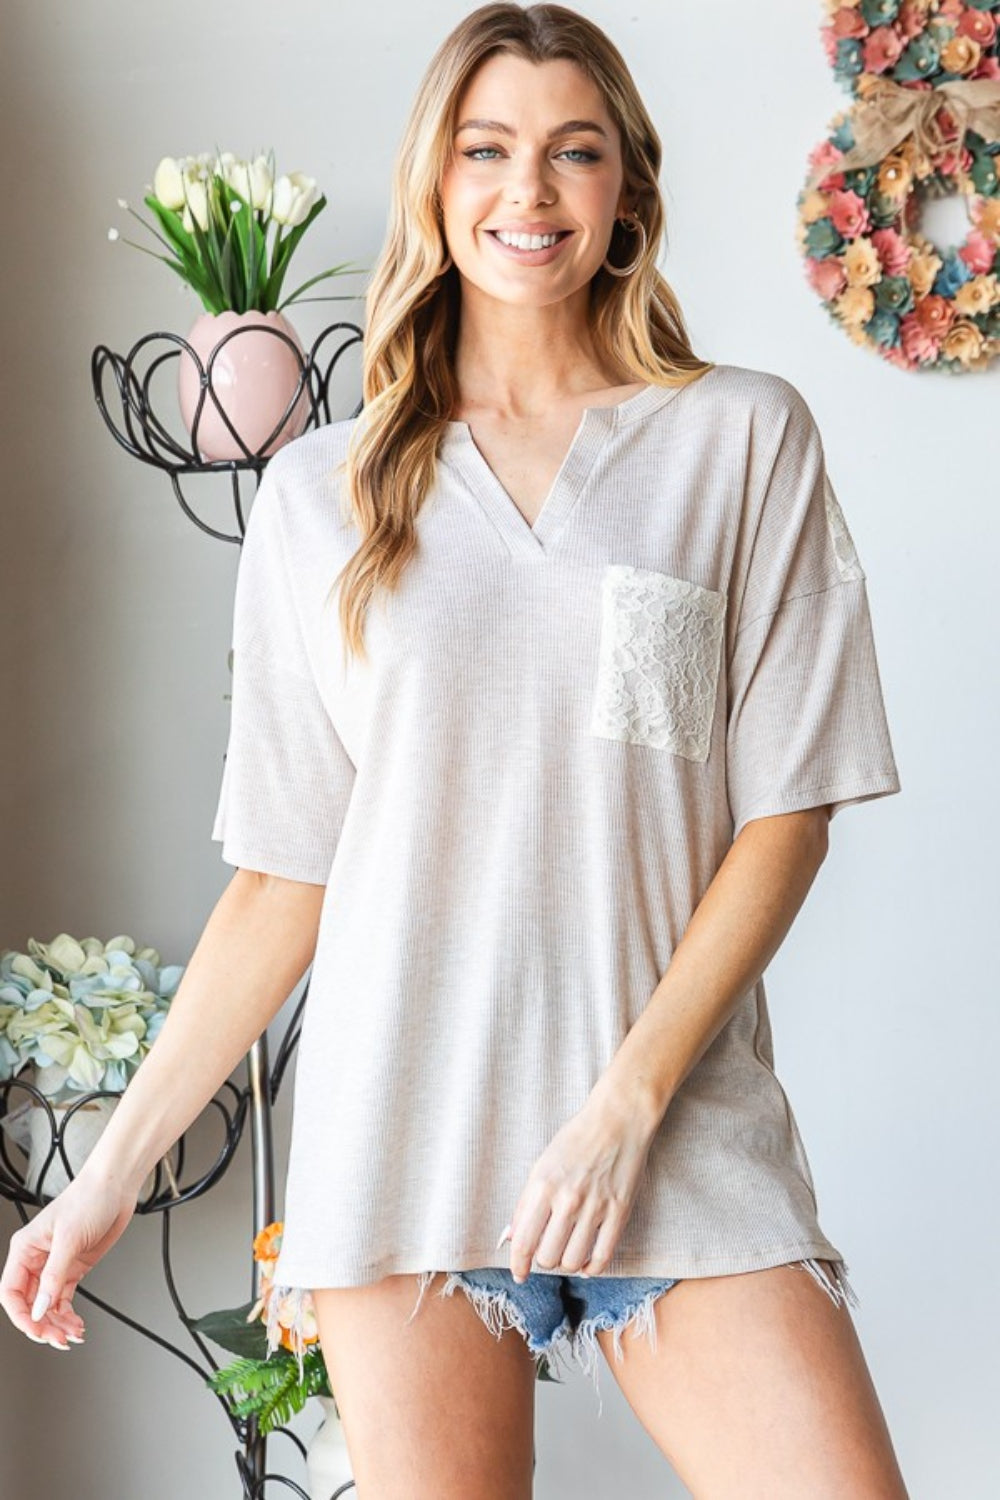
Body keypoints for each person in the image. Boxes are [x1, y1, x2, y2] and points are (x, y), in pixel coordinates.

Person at [2, 4, 912, 1495]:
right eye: (487, 150)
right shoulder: (318, 497)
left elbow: (787, 817)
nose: (528, 193)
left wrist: (623, 1107)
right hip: (403, 1135)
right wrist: (103, 1187)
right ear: (436, 181)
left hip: (667, 1124)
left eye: (574, 153)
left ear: (628, 192)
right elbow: (285, 879)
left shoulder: (739, 442)